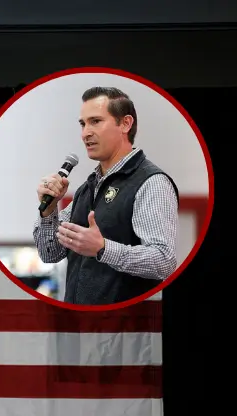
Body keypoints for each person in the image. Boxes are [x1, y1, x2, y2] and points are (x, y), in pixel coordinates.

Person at [32, 86, 179, 306]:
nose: (85, 133)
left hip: (123, 331)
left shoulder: (151, 181)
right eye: (83, 124)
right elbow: (50, 253)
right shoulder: (87, 188)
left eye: (95, 121)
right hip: (80, 327)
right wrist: (48, 211)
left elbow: (163, 261)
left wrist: (103, 248)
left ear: (125, 124)